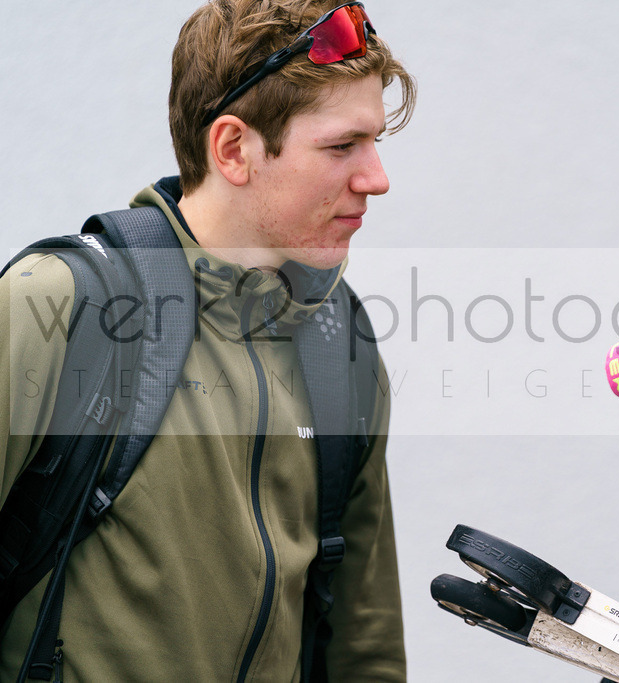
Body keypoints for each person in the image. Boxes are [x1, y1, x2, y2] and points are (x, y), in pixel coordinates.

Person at [0, 1, 414, 680]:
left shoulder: (341, 348)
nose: (376, 178)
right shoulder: (58, 306)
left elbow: (362, 650)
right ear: (233, 149)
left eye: (375, 143)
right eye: (343, 146)